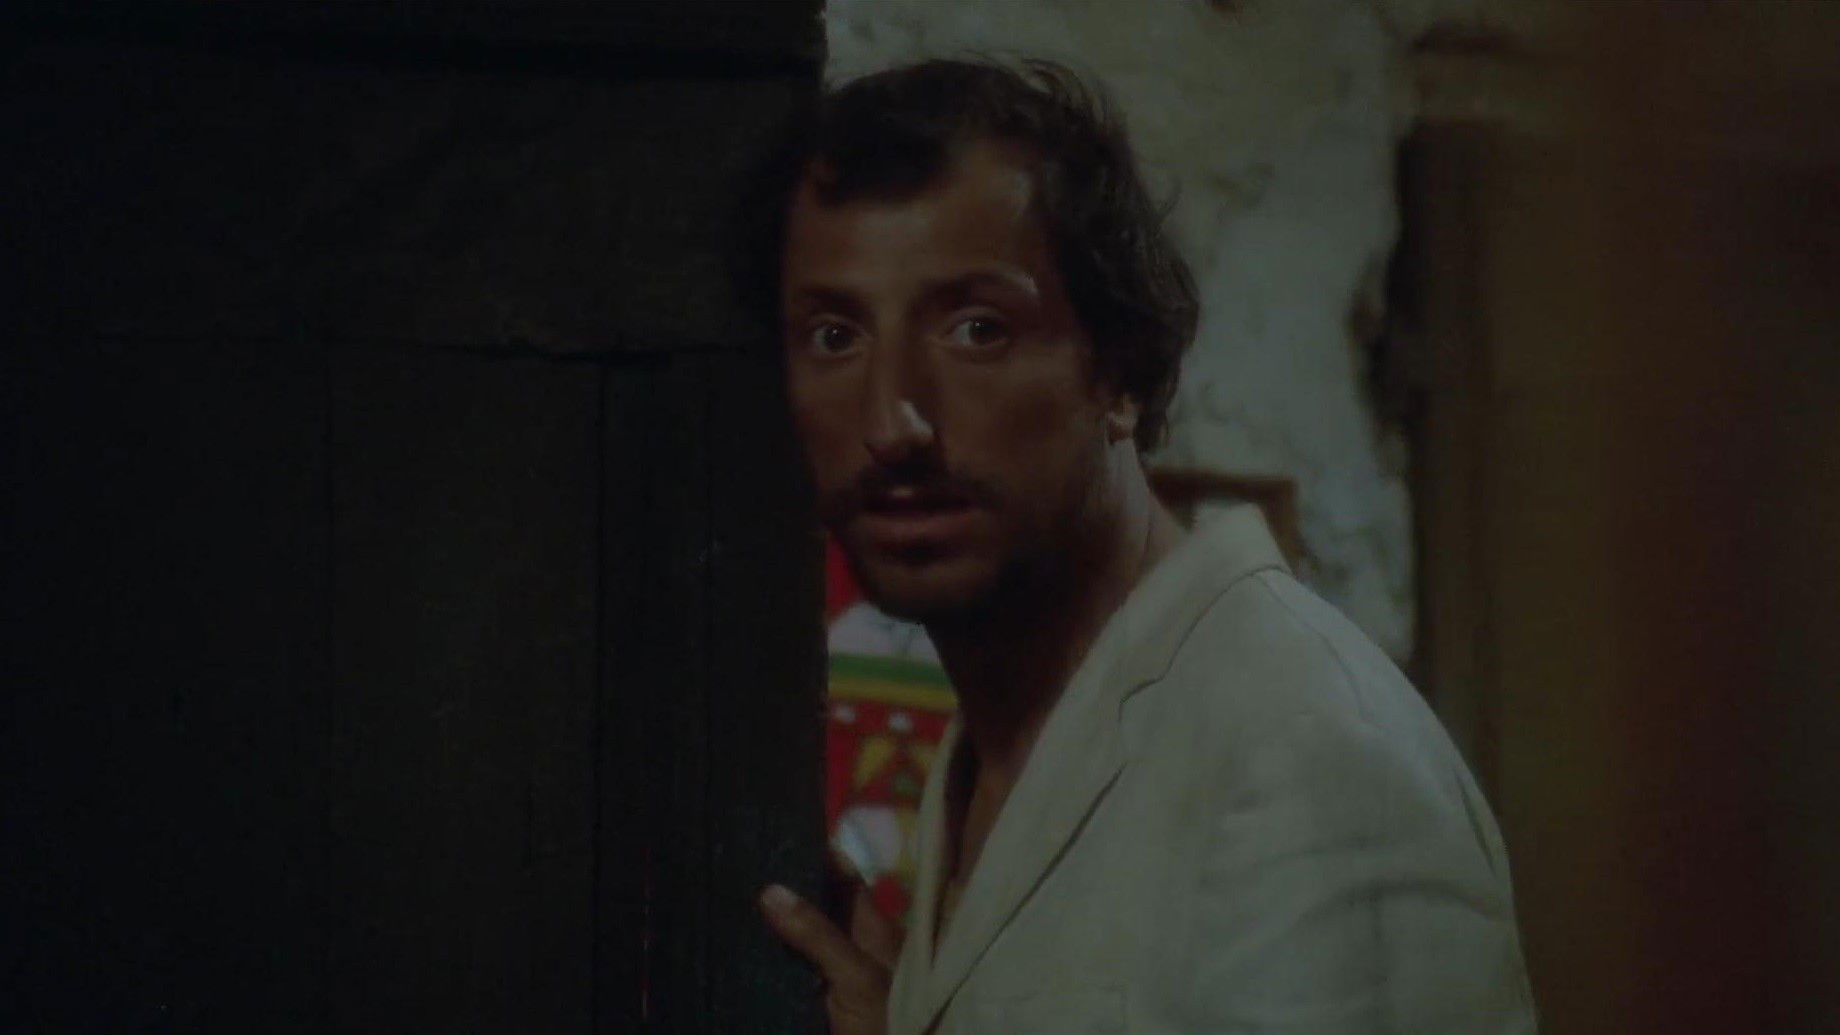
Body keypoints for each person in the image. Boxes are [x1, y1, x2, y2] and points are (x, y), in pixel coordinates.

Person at [755, 58, 1537, 1034]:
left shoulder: (1306, 755)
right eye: (835, 335)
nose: (893, 421)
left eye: (977, 328)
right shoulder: (1010, 740)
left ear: (1119, 373)